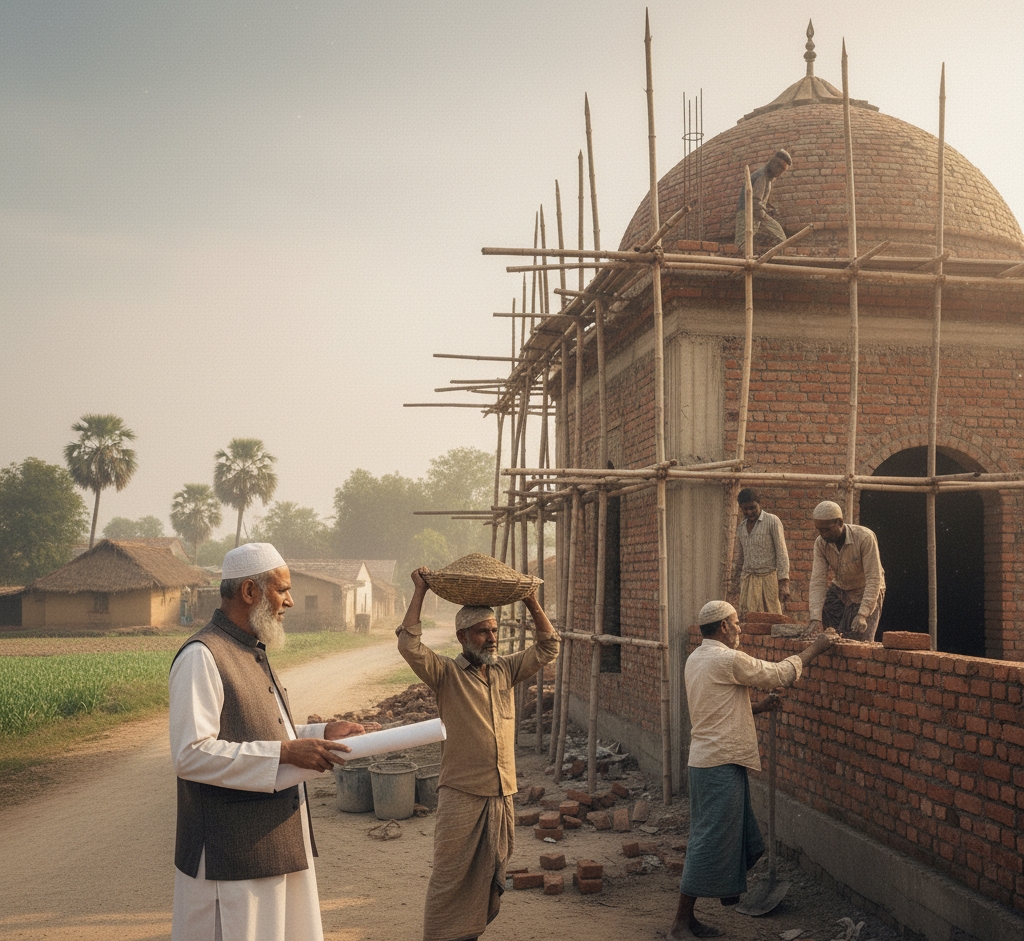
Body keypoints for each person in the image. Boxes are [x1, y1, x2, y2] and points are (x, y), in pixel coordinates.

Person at [169, 542, 371, 941]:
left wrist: (319, 734)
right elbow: (191, 755)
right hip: (231, 856)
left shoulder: (250, 649)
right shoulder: (202, 655)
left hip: (274, 844)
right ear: (249, 592)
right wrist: (285, 752)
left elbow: (259, 729)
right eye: (282, 589)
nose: (290, 601)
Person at [397, 567, 560, 941]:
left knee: (491, 870)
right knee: (450, 874)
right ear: (462, 637)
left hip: (502, 792)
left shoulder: (504, 670)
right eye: (484, 631)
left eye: (494, 630)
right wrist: (420, 592)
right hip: (462, 792)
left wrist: (531, 600)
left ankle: (467, 934)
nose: (492, 638)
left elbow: (549, 646)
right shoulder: (446, 674)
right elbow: (409, 645)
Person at [668, 600, 836, 940]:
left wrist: (759, 707)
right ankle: (680, 924)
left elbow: (719, 709)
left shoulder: (696, 658)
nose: (740, 628)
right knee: (707, 841)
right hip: (718, 764)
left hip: (709, 761)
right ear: (724, 627)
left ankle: (724, 890)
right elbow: (778, 673)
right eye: (736, 623)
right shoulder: (727, 658)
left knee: (743, 837)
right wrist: (814, 649)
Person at [807, 500, 886, 642]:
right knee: (831, 638)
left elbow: (874, 578)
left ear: (840, 523)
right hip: (841, 589)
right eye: (819, 530)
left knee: (859, 642)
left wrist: (863, 614)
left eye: (826, 530)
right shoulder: (820, 543)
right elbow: (818, 581)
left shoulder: (864, 537)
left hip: (865, 591)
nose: (823, 534)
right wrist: (815, 619)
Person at [730, 488, 791, 614]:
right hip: (748, 579)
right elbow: (741, 557)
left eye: (752, 507)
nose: (749, 512)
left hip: (768, 579)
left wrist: (784, 583)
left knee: (771, 617)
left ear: (759, 503)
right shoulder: (741, 527)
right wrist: (735, 580)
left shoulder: (772, 521)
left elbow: (782, 552)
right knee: (747, 617)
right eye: (745, 509)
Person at [735, 149, 792, 253]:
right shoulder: (762, 176)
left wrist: (768, 208)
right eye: (779, 167)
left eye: (782, 170)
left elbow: (759, 201)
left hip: (753, 215)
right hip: (747, 215)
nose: (779, 172)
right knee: (744, 245)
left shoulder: (767, 177)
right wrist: (765, 215)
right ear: (773, 163)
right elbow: (755, 204)